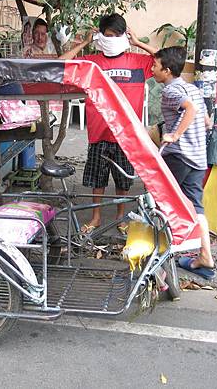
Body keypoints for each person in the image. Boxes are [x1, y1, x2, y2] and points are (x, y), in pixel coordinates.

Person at [60, 13, 158, 233]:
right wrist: (84, 42)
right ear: (101, 36)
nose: (111, 39)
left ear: (124, 36)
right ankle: (95, 218)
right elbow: (61, 65)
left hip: (126, 135)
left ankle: (121, 218)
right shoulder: (91, 64)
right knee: (98, 179)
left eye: (116, 35)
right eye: (107, 35)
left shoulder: (138, 62)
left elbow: (166, 61)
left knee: (123, 181)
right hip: (99, 132)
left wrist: (139, 43)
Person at [155, 46, 215, 279]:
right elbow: (207, 121)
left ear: (167, 71)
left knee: (161, 207)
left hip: (179, 156)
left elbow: (189, 110)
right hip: (198, 158)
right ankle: (205, 256)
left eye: (155, 66)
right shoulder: (192, 88)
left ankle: (160, 268)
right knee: (196, 207)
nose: (152, 69)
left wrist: (175, 134)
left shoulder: (170, 92)